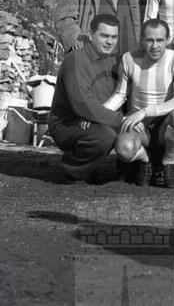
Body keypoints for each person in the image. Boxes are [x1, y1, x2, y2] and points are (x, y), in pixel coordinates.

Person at [103, 19, 174, 188]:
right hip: (139, 126)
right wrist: (98, 112)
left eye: (160, 40)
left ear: (168, 40)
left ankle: (167, 164)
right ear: (142, 39)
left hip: (165, 125)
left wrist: (145, 111)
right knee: (124, 148)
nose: (155, 46)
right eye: (150, 40)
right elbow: (120, 94)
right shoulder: (129, 58)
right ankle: (146, 160)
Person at [48, 14, 122, 182]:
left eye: (114, 37)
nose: (109, 42)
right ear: (90, 34)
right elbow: (82, 104)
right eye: (104, 36)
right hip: (68, 122)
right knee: (104, 137)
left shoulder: (117, 61)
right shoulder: (76, 59)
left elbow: (121, 94)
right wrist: (119, 120)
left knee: (135, 132)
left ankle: (127, 169)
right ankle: (74, 168)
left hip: (96, 117)